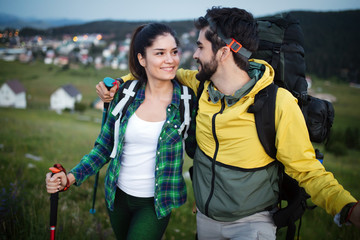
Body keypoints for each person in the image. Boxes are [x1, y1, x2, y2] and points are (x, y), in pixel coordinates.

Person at [96, 7, 360, 240]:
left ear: (223, 52)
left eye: (200, 47)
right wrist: (116, 84)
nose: (194, 55)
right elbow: (157, 71)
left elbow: (309, 170)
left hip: (253, 225)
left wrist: (349, 208)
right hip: (206, 221)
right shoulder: (201, 84)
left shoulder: (278, 104)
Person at [46, 22, 197, 240]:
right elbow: (104, 147)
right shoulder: (124, 95)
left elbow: (200, 153)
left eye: (174, 52)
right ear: (141, 59)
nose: (170, 60)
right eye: (160, 53)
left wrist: (204, 199)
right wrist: (69, 178)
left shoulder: (186, 100)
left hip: (156, 203)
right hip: (117, 198)